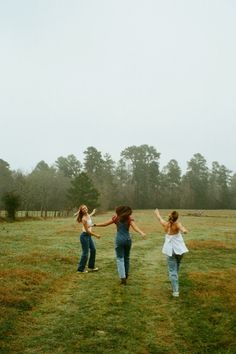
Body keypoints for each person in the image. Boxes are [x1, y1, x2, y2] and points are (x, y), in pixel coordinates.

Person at [93, 206, 146, 285]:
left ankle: (122, 277)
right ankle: (126, 274)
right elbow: (135, 227)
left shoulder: (116, 218)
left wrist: (94, 225)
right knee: (127, 258)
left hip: (119, 240)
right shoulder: (129, 219)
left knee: (120, 259)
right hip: (128, 240)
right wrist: (141, 233)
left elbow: (105, 224)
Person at [154, 209, 188, 297]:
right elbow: (182, 228)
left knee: (173, 270)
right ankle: (175, 283)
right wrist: (184, 231)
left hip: (170, 250)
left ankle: (175, 290)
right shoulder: (177, 224)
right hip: (180, 250)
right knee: (176, 266)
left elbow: (159, 219)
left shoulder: (165, 224)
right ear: (176, 218)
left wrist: (157, 213)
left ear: (170, 218)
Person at [75, 205, 101, 273]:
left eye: (85, 208)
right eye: (83, 209)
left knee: (93, 250)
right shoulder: (84, 219)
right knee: (85, 253)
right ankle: (80, 269)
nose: (85, 209)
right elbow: (87, 231)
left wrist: (93, 212)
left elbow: (90, 216)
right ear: (81, 211)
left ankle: (91, 266)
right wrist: (96, 235)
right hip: (84, 236)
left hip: (88, 236)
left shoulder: (88, 215)